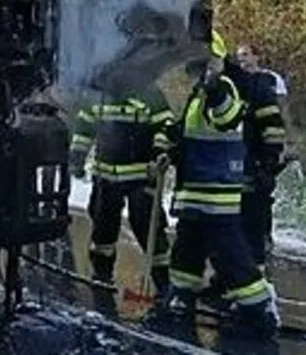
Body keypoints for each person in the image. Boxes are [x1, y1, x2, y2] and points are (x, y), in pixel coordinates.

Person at [150, 31, 281, 338]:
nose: (197, 69)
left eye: (202, 63)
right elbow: (183, 133)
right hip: (194, 194)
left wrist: (215, 91)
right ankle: (181, 299)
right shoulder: (199, 93)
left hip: (216, 195)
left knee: (230, 255)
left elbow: (228, 118)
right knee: (186, 253)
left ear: (216, 61)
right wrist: (165, 151)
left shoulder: (224, 88)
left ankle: (259, 308)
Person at [69, 82, 175, 303]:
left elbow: (165, 125)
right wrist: (77, 156)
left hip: (141, 176)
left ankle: (164, 283)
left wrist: (159, 152)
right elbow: (84, 128)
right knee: (103, 230)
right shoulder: (96, 94)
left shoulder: (149, 92)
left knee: (148, 229)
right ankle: (102, 276)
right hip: (105, 177)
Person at [232, 43, 289, 268]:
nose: (243, 60)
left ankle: (264, 238)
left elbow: (282, 112)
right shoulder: (237, 83)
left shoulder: (270, 80)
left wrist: (283, 145)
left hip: (264, 147)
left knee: (262, 195)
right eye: (239, 57)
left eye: (246, 55)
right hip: (244, 151)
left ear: (257, 56)